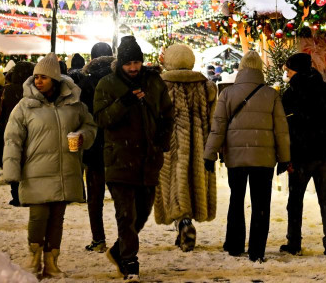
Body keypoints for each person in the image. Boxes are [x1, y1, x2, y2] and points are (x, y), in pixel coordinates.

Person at [3, 53, 97, 279]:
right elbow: (12, 138)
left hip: (65, 171)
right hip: (36, 171)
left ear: (55, 79)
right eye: (36, 77)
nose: (38, 81)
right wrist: (12, 171)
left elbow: (90, 125)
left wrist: (83, 136)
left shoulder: (74, 104)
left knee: (57, 219)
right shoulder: (25, 106)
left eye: (43, 77)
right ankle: (34, 259)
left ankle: (51, 262)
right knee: (38, 217)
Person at [94, 36, 174, 281]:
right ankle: (130, 261)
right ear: (121, 63)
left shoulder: (154, 82)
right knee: (126, 214)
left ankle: (119, 251)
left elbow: (167, 113)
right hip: (120, 158)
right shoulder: (106, 84)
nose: (133, 67)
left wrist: (162, 138)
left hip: (148, 158)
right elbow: (101, 119)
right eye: (129, 63)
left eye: (137, 62)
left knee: (142, 213)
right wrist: (125, 102)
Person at [203, 50, 290, 263]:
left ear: (241, 68)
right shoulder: (271, 94)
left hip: (236, 157)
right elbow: (281, 129)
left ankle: (234, 244)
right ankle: (257, 250)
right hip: (264, 157)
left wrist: (210, 154)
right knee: (261, 203)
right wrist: (284, 157)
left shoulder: (227, 94)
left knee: (236, 200)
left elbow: (218, 128)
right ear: (260, 69)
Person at [280, 52, 326, 258]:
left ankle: (294, 242)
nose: (286, 74)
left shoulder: (291, 94)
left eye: (288, 70)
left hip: (300, 156)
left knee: (295, 200)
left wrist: (286, 157)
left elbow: (285, 128)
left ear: (297, 71)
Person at [154, 43, 217, 251]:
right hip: (199, 144)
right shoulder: (205, 86)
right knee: (192, 180)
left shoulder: (160, 86)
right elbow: (213, 117)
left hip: (168, 145)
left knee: (173, 183)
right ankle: (185, 222)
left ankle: (183, 222)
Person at [78, 41, 114, 253]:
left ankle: (98, 238)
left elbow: (81, 112)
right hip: (117, 142)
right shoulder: (119, 78)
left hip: (94, 143)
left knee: (95, 195)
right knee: (121, 196)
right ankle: (124, 237)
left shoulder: (86, 82)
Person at [0, 60, 34, 200]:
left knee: (13, 158)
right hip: (30, 128)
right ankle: (27, 191)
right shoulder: (32, 90)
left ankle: (15, 192)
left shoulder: (6, 90)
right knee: (29, 160)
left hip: (8, 128)